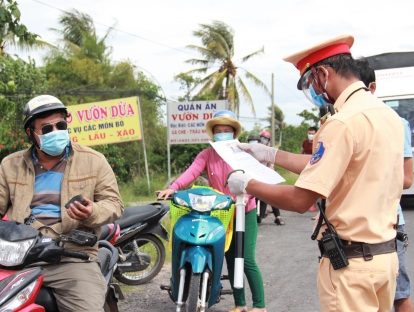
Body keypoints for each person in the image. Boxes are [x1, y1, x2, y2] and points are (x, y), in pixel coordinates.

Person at [227, 34, 405, 311]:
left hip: (351, 267)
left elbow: (300, 201)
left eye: (310, 82)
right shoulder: (387, 116)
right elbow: (332, 165)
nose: (313, 91)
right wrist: (272, 154)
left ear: (323, 72)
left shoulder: (342, 123)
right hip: (385, 258)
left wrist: (247, 183)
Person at [0, 95, 124, 312]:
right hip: (19, 259)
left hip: (72, 258)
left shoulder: (94, 160)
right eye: (46, 129)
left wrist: (93, 211)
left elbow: (114, 204)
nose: (55, 132)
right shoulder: (10, 165)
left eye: (60, 125)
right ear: (30, 133)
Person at [157, 110, 266, 312]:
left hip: (244, 212)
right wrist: (173, 188)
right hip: (219, 213)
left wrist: (244, 198)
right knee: (230, 259)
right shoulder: (207, 154)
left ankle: (259, 306)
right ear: (212, 134)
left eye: (227, 130)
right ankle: (240, 305)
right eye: (218, 131)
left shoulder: (244, 154)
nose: (222, 134)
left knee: (247, 258)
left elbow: (254, 181)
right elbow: (191, 172)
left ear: (234, 134)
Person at [356, 58, 414, 312]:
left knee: (399, 295)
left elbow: (407, 178)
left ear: (372, 88)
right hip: (353, 227)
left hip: (388, 223)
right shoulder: (343, 123)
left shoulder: (396, 123)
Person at [249, 131, 285, 225]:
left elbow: (270, 163)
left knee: (271, 193)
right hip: (253, 174)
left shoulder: (268, 150)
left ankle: (278, 216)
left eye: (266, 139)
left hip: (264, 173)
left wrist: (271, 168)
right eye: (262, 138)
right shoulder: (250, 149)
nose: (263, 140)